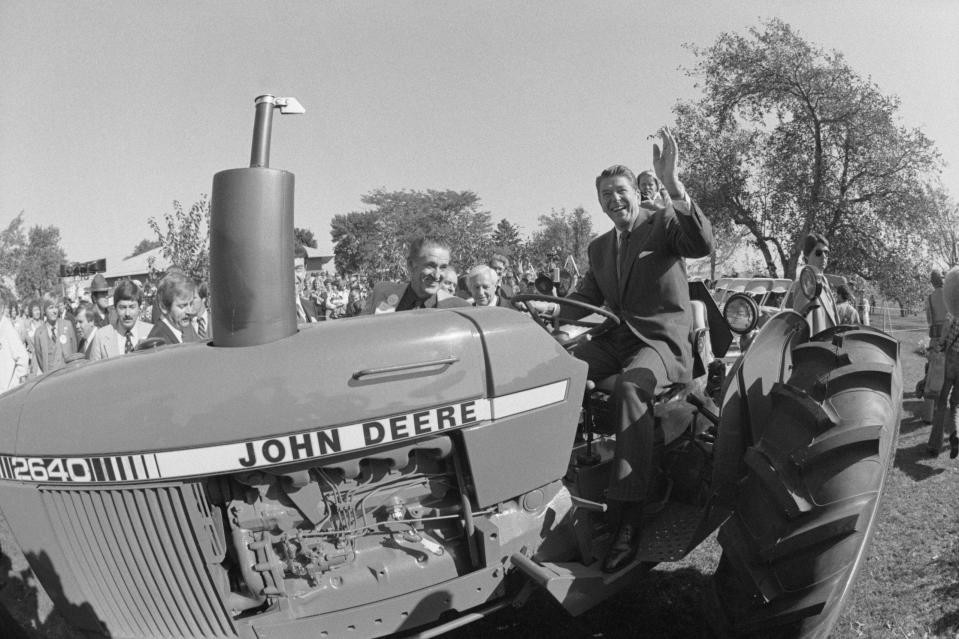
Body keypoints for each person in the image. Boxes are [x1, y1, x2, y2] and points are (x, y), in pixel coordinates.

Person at [560, 127, 713, 573]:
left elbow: (700, 242)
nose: (614, 200)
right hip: (618, 337)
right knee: (557, 369)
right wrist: (543, 317)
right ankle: (560, 473)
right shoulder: (599, 247)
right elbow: (584, 298)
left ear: (635, 193)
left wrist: (676, 186)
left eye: (620, 190)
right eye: (605, 194)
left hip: (661, 340)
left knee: (632, 388)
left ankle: (628, 513)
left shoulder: (663, 223)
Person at [364, 237, 472, 313]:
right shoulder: (382, 292)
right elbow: (361, 332)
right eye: (431, 266)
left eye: (443, 267)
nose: (437, 276)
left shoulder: (460, 308)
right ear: (410, 265)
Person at [89, 279, 153, 360]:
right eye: (122, 307)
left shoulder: (151, 332)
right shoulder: (101, 337)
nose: (127, 313)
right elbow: (95, 370)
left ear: (139, 308)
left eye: (132, 307)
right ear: (115, 309)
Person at [787, 233, 837, 332]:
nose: (824, 257)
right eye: (818, 253)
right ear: (806, 256)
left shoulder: (823, 281)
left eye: (826, 253)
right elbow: (800, 326)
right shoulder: (805, 283)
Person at [928, 310, 959, 459]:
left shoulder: (954, 309)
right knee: (955, 404)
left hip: (951, 359)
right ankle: (955, 435)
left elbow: (946, 328)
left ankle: (935, 446)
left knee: (941, 402)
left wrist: (940, 344)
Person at [148, 272, 198, 344]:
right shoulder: (159, 343)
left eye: (191, 304)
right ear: (163, 307)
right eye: (183, 306)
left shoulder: (187, 330)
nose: (189, 311)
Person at [33, 297, 78, 374]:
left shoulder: (67, 325)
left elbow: (74, 349)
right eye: (51, 308)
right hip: (51, 377)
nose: (55, 311)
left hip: (69, 373)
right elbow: (40, 359)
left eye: (56, 307)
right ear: (44, 310)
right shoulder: (39, 333)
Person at [0, 292, 29, 391]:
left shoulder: (7, 328)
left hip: (7, 392)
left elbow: (23, 357)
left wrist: (14, 385)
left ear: (2, 308)